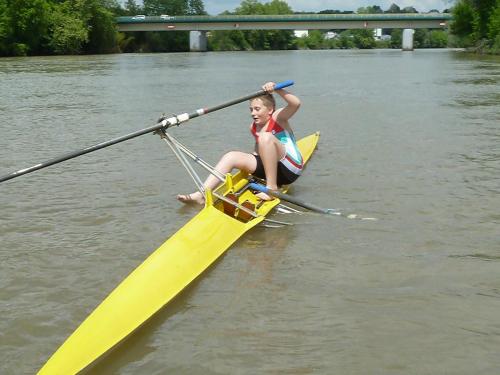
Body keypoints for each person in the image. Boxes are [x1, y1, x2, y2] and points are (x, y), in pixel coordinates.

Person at [177, 81, 303, 204]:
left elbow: (295, 104)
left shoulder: (278, 117)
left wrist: (277, 89)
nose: (253, 113)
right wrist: (247, 165)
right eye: (251, 109)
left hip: (291, 169)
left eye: (257, 109)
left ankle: (271, 189)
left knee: (265, 137)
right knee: (231, 156)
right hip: (274, 170)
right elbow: (258, 152)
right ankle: (202, 194)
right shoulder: (253, 127)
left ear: (270, 110)